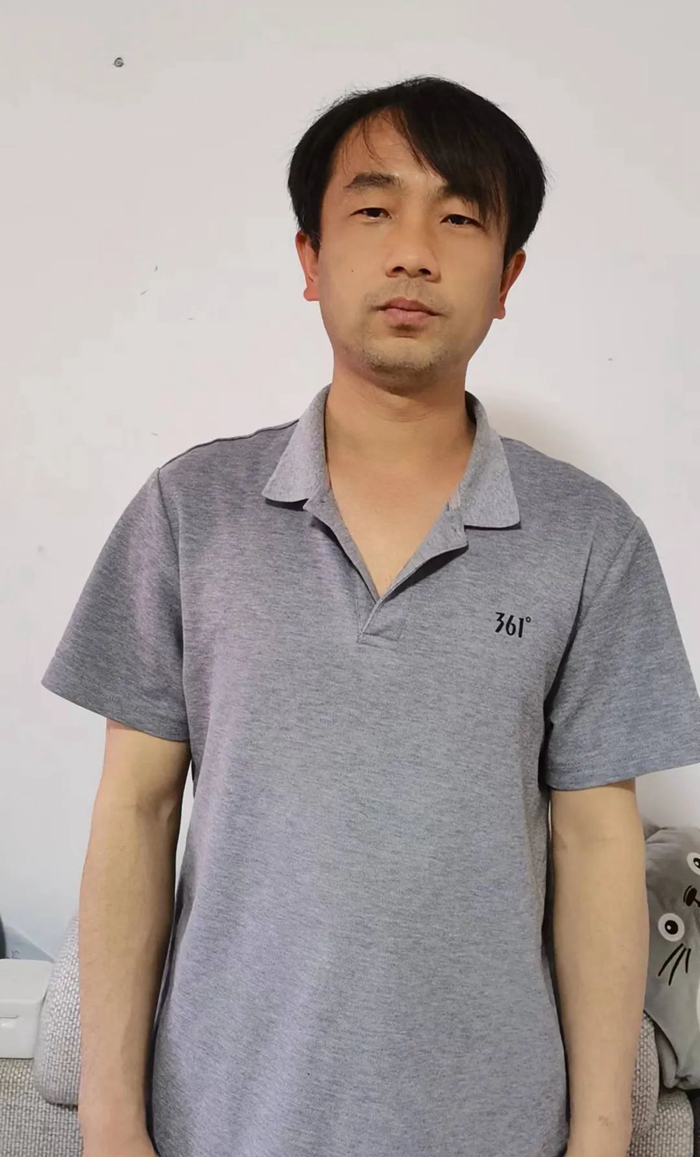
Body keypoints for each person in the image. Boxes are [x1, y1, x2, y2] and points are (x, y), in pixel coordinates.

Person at [41, 75, 700, 1157]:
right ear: (309, 259)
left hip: (495, 1123)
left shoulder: (591, 537)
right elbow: (137, 810)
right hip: (222, 1118)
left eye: (459, 218)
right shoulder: (189, 511)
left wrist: (599, 1135)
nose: (412, 253)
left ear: (508, 277)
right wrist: (112, 1124)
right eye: (374, 209)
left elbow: (594, 842)